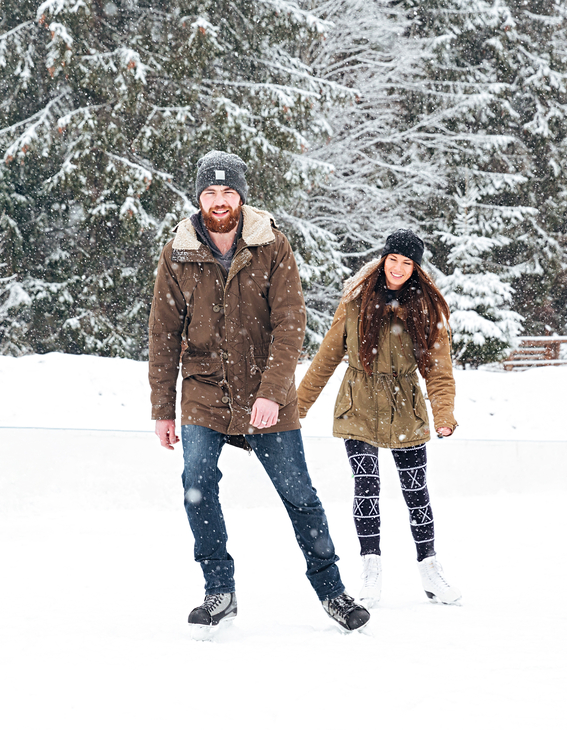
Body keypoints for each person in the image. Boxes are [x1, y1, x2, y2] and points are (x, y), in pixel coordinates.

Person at [148, 150, 369, 636]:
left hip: (264, 390)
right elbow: (163, 334)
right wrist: (163, 408)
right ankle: (219, 590)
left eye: (228, 192)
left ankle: (333, 592)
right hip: (204, 390)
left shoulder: (273, 246)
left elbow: (290, 324)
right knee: (197, 484)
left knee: (299, 495)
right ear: (199, 198)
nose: (220, 200)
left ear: (242, 196)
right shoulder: (178, 252)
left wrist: (271, 393)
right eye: (210, 192)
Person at [296, 230, 461, 607]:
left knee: (415, 490)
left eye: (408, 263)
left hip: (405, 406)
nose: (399, 268)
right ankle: (371, 569)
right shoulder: (356, 301)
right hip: (359, 403)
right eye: (394, 260)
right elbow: (326, 358)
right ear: (383, 258)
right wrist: (298, 407)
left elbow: (438, 368)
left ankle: (430, 569)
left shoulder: (425, 309)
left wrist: (444, 414)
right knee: (366, 484)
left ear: (416, 268)